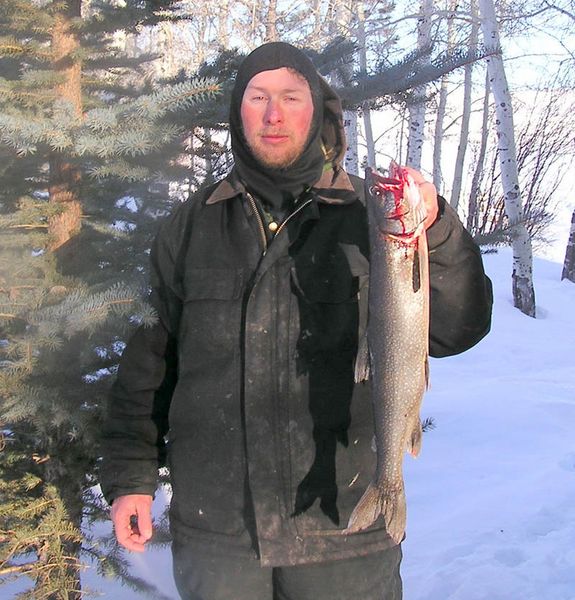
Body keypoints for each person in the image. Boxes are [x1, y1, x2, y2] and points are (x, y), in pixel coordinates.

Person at [100, 42, 493, 600]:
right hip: (219, 537)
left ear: (321, 111)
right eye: (257, 97)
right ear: (239, 113)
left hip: (344, 528)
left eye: (290, 97)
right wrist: (131, 478)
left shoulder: (372, 215)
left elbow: (459, 328)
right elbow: (146, 366)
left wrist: (438, 232)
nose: (274, 114)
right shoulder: (190, 226)